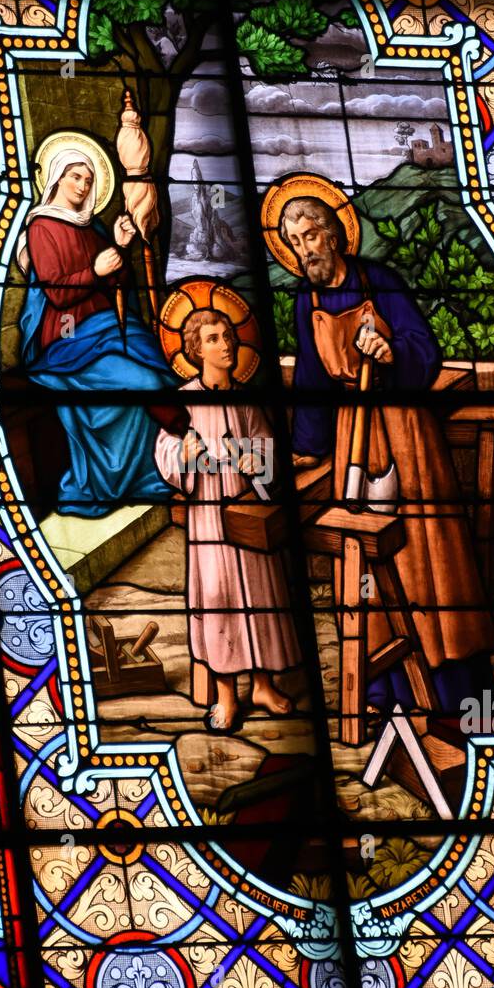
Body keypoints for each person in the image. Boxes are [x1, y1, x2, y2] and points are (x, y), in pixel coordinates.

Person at [281, 194, 494, 716]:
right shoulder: (302, 303)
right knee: (362, 566)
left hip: (404, 432)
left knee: (427, 555)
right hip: (350, 436)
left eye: (309, 237)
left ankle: (456, 687)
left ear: (333, 235)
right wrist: (305, 451)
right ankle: (383, 689)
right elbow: (311, 381)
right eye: (293, 243)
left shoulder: (379, 281)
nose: (303, 251)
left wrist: (393, 352)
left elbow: (425, 348)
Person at [154, 309, 301, 732]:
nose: (227, 344)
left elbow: (269, 449)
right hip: (209, 519)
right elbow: (166, 455)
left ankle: (262, 684)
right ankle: (226, 696)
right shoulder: (183, 400)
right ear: (197, 349)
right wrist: (185, 455)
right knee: (220, 602)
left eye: (229, 336)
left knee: (259, 598)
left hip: (248, 513)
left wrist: (259, 458)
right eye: (215, 338)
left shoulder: (245, 398)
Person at [16, 144, 177, 517]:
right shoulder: (42, 227)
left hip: (105, 329)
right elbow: (56, 294)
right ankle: (109, 481)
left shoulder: (95, 228)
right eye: (76, 176)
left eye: (89, 180)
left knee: (160, 374)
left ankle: (143, 476)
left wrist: (119, 248)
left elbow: (117, 283)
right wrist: (96, 271)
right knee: (148, 384)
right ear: (57, 178)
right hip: (67, 341)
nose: (83, 185)